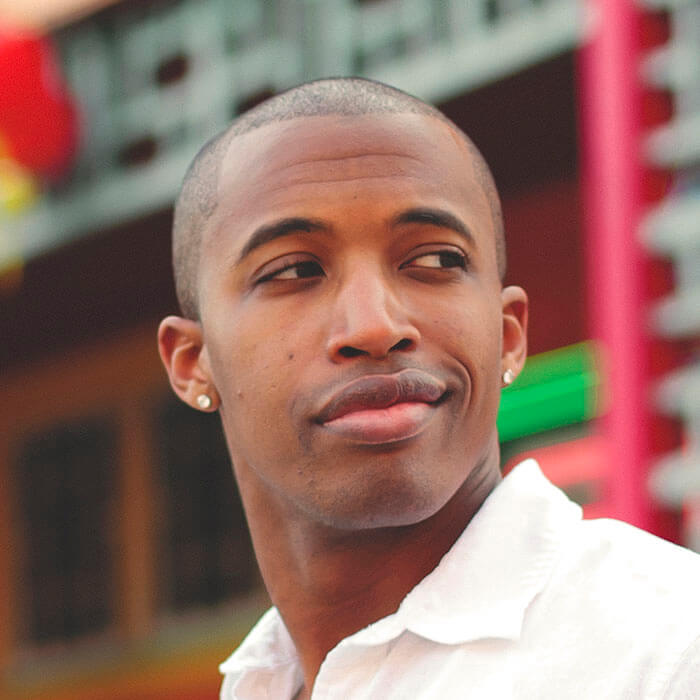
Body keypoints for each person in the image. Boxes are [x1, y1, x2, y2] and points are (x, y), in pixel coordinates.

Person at [157, 78, 700, 699]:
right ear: (192, 362)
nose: (375, 326)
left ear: (509, 335)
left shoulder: (668, 651)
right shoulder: (258, 680)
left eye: (436, 260)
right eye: (295, 270)